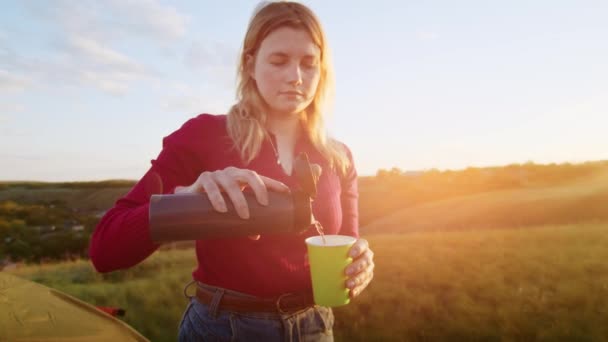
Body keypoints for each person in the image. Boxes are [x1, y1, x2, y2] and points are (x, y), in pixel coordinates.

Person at [89, 1, 375, 341]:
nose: (295, 77)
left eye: (309, 64)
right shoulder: (202, 136)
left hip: (314, 328)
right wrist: (182, 203)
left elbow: (349, 243)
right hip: (221, 328)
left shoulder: (339, 157)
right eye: (279, 60)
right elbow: (104, 250)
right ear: (250, 65)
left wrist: (360, 266)